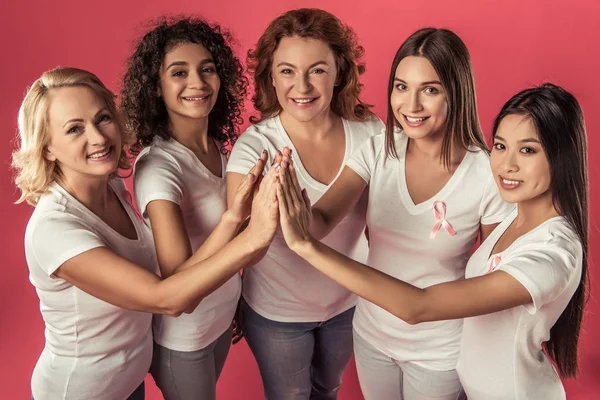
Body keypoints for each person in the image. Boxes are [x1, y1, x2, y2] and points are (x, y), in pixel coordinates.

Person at [277, 82, 587, 400]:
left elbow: (417, 307)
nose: (506, 165)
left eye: (527, 150)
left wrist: (307, 246)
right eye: (500, 145)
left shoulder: (553, 255)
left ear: (561, 156)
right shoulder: (515, 217)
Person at [12, 67, 278, 400]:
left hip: (129, 379)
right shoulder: (55, 229)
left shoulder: (112, 186)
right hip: (81, 391)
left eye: (103, 118)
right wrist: (252, 237)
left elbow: (176, 277)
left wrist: (233, 217)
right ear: (48, 147)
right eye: (75, 129)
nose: (97, 138)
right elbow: (165, 299)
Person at [275, 28, 514, 399]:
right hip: (372, 336)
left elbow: (494, 276)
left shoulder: (486, 175)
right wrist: (290, 204)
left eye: (430, 90)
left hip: (441, 350)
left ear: (457, 92)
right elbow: (319, 222)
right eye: (402, 87)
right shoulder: (376, 151)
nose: (411, 106)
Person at [226, 8, 384, 400]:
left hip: (349, 304)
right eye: (287, 71)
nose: (302, 85)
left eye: (317, 70)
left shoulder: (372, 133)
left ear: (339, 72)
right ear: (270, 77)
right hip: (278, 314)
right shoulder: (254, 148)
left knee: (327, 389)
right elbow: (239, 244)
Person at [121, 17, 257, 399]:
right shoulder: (158, 165)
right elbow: (177, 273)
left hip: (218, 321)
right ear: (156, 86)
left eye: (207, 69)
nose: (197, 83)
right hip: (184, 338)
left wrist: (237, 298)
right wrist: (235, 221)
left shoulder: (220, 148)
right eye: (179, 72)